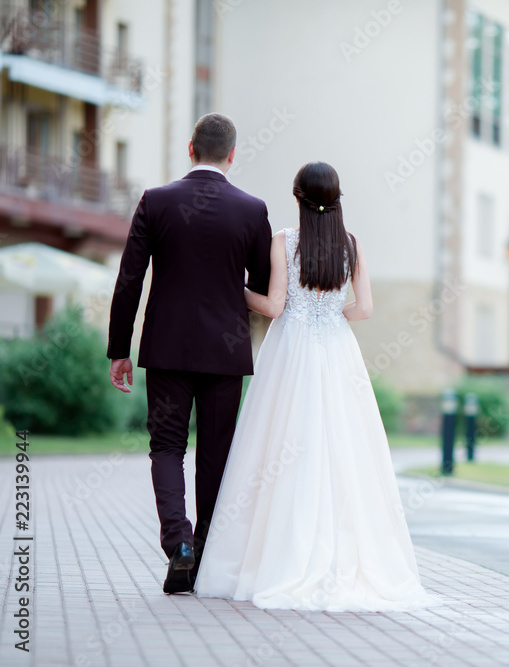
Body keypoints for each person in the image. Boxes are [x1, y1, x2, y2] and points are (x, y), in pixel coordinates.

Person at [193, 162, 437, 611]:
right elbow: (363, 309)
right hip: (338, 352)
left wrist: (237, 289)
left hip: (291, 352)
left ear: (298, 197)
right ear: (338, 197)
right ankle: (346, 555)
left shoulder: (284, 242)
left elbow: (273, 305)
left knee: (279, 445)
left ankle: (272, 555)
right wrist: (330, 316)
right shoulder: (354, 246)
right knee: (344, 446)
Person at [107, 113, 273, 594]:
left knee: (166, 447)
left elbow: (129, 281)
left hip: (165, 349)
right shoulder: (252, 209)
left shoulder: (156, 201)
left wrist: (120, 348)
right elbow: (261, 286)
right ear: (232, 154)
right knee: (216, 455)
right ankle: (203, 557)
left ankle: (178, 544)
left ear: (189, 148)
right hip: (225, 353)